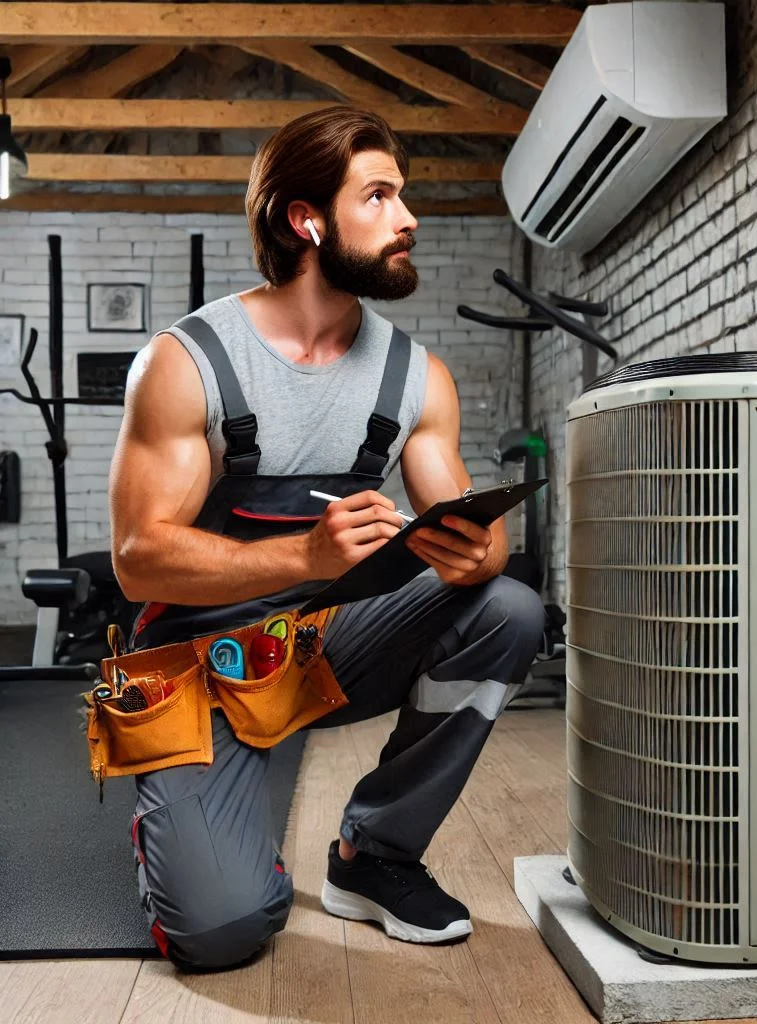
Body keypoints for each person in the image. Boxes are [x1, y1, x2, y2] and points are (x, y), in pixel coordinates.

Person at [108, 106, 546, 971]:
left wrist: (478, 550)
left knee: (508, 606)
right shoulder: (188, 360)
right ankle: (193, 842)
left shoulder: (414, 375)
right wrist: (305, 556)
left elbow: (468, 524)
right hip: (203, 663)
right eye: (378, 196)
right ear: (306, 220)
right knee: (224, 930)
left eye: (403, 195)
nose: (408, 217)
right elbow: (137, 560)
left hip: (328, 644)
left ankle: (372, 855)